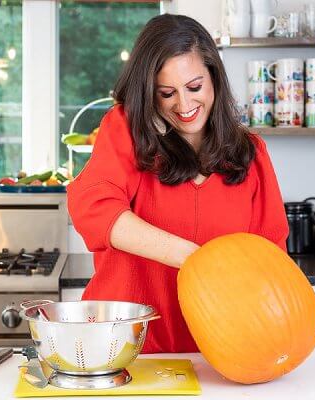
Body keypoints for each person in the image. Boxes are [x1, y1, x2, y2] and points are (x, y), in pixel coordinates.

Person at [67, 14, 289, 353]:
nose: (184, 105)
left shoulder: (251, 152)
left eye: (194, 87)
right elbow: (94, 210)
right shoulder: (125, 129)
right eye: (166, 93)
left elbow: (270, 257)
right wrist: (198, 259)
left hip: (220, 352)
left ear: (214, 76)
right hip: (125, 347)